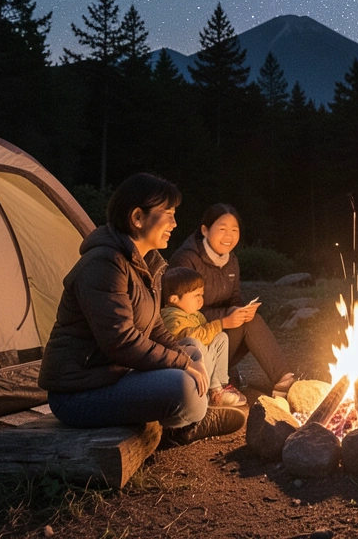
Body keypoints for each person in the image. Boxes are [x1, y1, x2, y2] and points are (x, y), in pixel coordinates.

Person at [39, 173, 245, 445]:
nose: (174, 223)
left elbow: (156, 327)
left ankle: (191, 417)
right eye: (168, 214)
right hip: (80, 392)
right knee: (182, 386)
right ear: (137, 218)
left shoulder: (146, 265)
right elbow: (121, 341)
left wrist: (185, 356)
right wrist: (182, 364)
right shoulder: (104, 264)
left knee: (193, 347)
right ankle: (185, 425)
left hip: (115, 374)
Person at [169, 203, 296, 396]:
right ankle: (278, 382)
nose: (229, 236)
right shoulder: (186, 260)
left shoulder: (231, 261)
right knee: (248, 323)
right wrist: (226, 317)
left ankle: (285, 380)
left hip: (218, 332)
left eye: (234, 230)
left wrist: (241, 311)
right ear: (204, 229)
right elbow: (181, 311)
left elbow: (234, 298)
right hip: (192, 346)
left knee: (251, 319)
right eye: (222, 229)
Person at [160, 266, 248, 407]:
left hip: (205, 366)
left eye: (202, 295)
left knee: (221, 338)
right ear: (174, 299)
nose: (201, 300)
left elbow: (209, 336)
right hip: (188, 367)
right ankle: (213, 390)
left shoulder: (196, 315)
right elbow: (190, 337)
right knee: (196, 344)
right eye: (196, 295)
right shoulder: (170, 316)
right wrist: (221, 323)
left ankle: (220, 386)